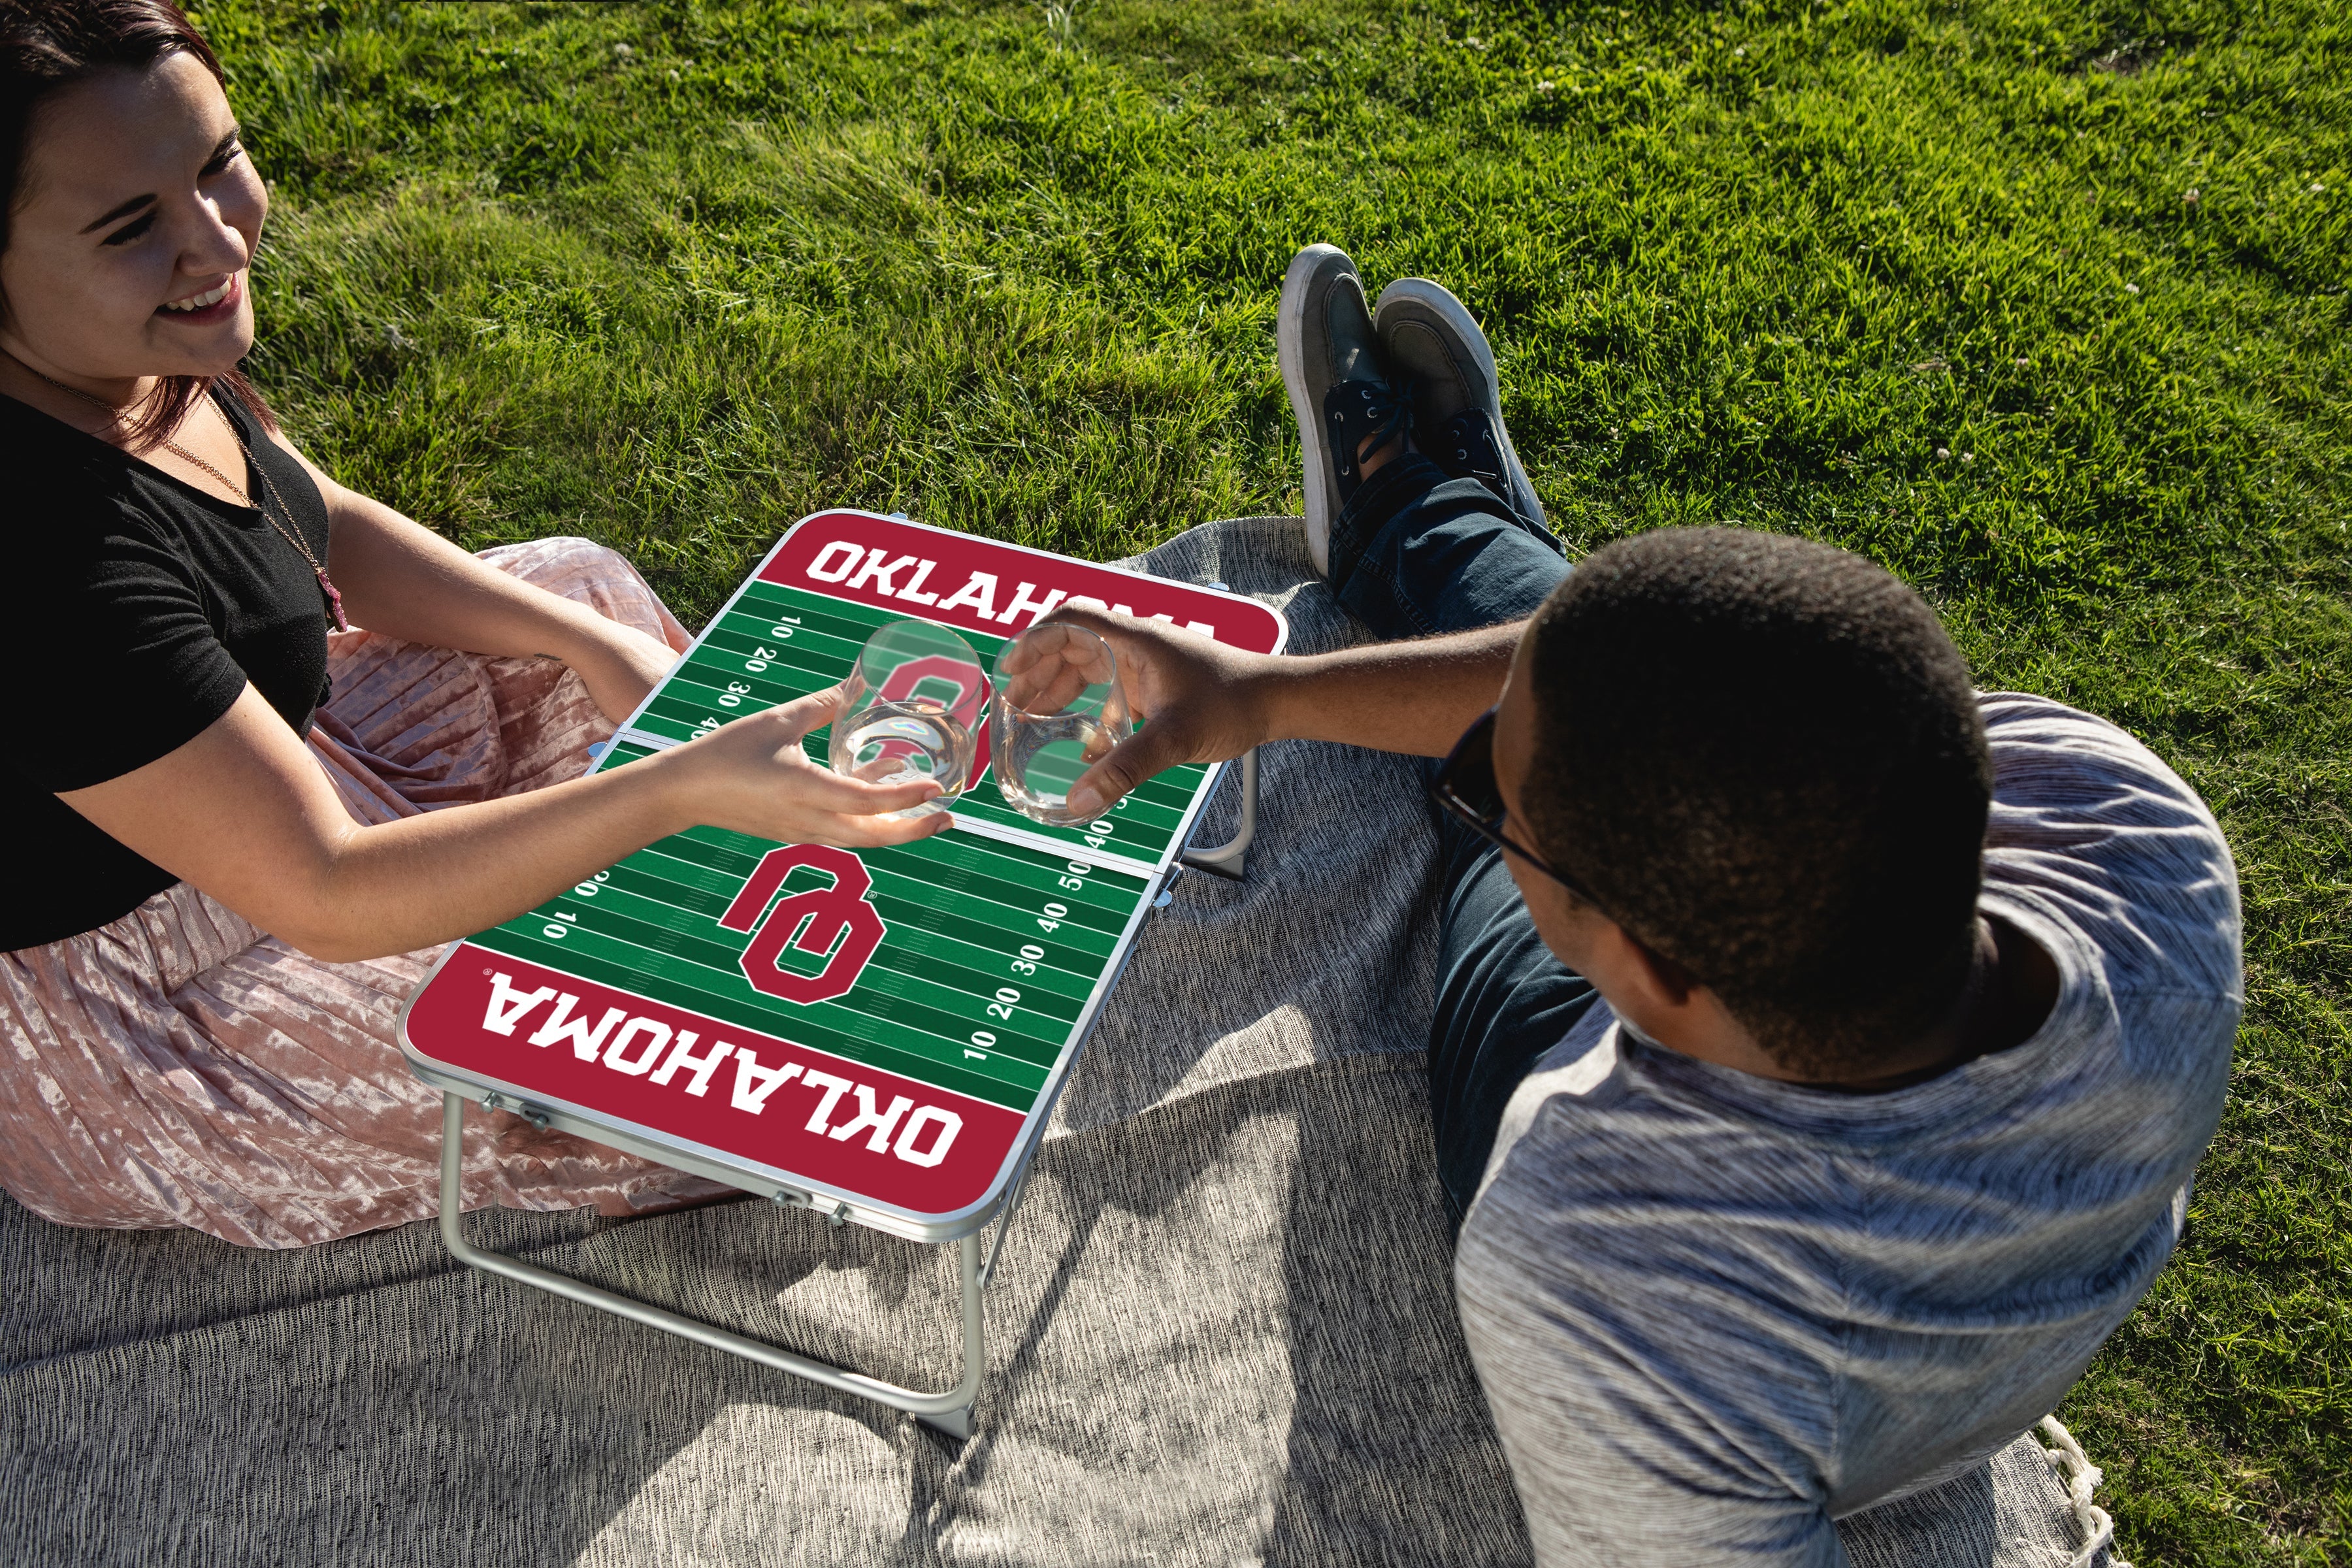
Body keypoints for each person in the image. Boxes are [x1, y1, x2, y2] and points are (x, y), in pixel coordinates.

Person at [1043, 243, 2240, 1564]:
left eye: (1501, 814)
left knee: (1541, 748)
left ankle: (1428, 521)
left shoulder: (1603, 1261)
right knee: (1623, 675)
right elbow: (1696, 695)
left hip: (1579, 1084)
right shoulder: (2134, 827)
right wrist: (1258, 697)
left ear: (1646, 972)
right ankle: (1442, 526)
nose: (1485, 810)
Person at [0, 0, 945, 1248]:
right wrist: (671, 791)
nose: (217, 236)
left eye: (218, 161)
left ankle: (729, 838)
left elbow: (309, 519)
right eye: (132, 226)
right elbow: (327, 892)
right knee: (667, 1054)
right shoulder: (42, 555)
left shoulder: (122, 354)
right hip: (163, 1005)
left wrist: (588, 645)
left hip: (286, 775)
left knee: (575, 588)